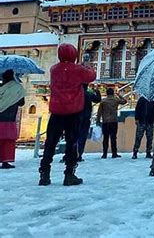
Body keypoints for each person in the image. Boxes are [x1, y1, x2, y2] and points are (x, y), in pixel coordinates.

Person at [39, 43, 96, 186]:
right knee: (72, 143)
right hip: (73, 112)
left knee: (50, 143)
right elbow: (91, 76)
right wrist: (87, 66)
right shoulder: (78, 70)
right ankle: (69, 174)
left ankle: (44, 174)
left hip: (56, 111)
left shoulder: (54, 69)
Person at [0, 70, 26, 169]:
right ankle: (6, 161)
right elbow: (21, 103)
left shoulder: (1, 87)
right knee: (8, 140)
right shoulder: (17, 88)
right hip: (10, 118)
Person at [96, 88, 127, 159]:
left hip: (105, 122)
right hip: (113, 121)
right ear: (113, 93)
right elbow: (124, 101)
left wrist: (98, 120)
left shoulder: (103, 101)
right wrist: (119, 95)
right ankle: (114, 153)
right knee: (113, 138)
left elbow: (99, 112)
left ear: (106, 93)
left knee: (105, 138)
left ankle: (104, 154)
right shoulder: (116, 100)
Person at [77, 84, 102, 161]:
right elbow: (98, 99)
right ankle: (79, 154)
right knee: (82, 137)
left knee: (73, 136)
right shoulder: (88, 94)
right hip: (85, 118)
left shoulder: (75, 94)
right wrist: (97, 91)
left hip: (75, 118)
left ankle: (69, 154)